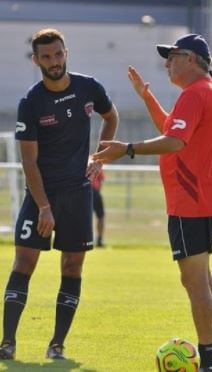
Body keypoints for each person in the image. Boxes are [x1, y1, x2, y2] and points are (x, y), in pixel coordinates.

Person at [92, 34, 212, 372]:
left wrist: (125, 149)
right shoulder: (208, 93)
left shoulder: (195, 94)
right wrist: (147, 97)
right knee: (201, 276)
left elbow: (173, 141)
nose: (167, 63)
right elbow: (174, 128)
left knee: (194, 281)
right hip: (206, 196)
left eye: (173, 56)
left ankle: (209, 359)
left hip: (191, 199)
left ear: (193, 59)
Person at [0, 28, 118, 360]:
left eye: (59, 54)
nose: (55, 61)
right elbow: (29, 161)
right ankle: (7, 343)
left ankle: (57, 346)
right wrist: (43, 207)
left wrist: (99, 157)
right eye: (47, 56)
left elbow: (111, 117)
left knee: (72, 268)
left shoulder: (89, 87)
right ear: (36, 60)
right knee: (24, 262)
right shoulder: (31, 102)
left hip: (79, 195)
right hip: (41, 196)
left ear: (66, 53)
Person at [92, 169, 105, 247]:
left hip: (89, 191)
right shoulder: (98, 162)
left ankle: (99, 239)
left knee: (101, 216)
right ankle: (99, 240)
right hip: (93, 191)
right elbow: (100, 181)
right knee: (100, 217)